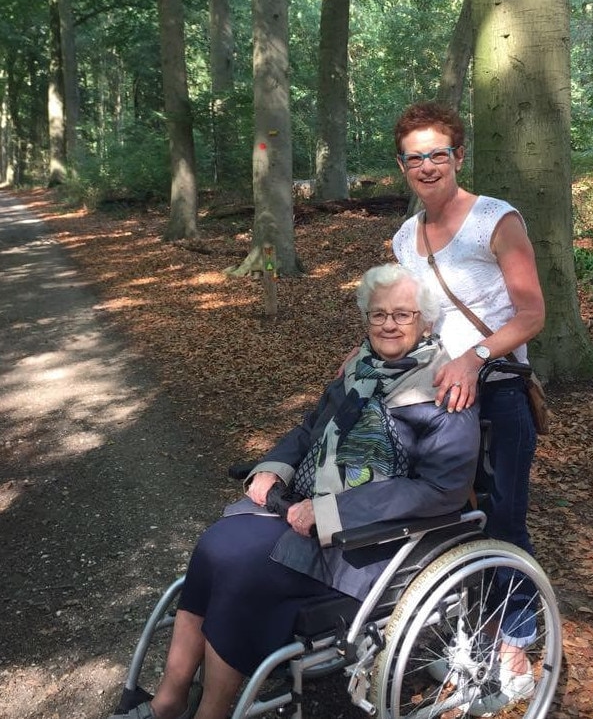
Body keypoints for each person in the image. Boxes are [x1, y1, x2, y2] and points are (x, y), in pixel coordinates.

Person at [110, 264, 480, 719]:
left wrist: (332, 511)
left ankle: (212, 710)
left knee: (246, 576)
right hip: (305, 516)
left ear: (426, 322)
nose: (388, 324)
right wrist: (274, 470)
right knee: (214, 547)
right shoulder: (359, 371)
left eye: (403, 315)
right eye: (378, 313)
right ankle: (169, 699)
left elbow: (441, 490)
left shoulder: (445, 392)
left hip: (369, 541)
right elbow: (309, 430)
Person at [391, 100, 546, 711]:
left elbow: (532, 314)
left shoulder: (496, 220)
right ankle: (468, 630)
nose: (426, 165)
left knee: (503, 515)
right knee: (451, 517)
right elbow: (415, 319)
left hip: (500, 388)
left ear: (458, 156)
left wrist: (474, 357)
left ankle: (517, 640)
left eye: (437, 153)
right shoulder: (405, 237)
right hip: (437, 399)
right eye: (414, 157)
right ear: (401, 166)